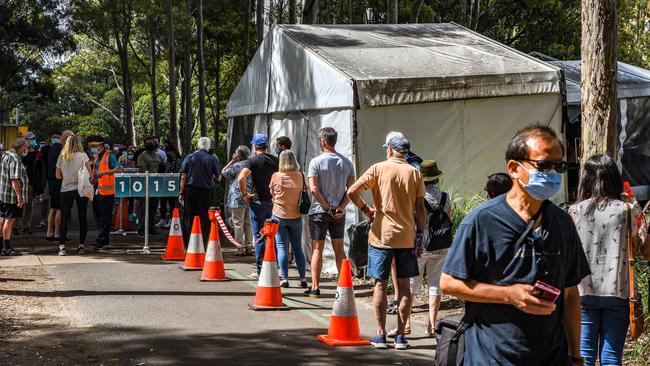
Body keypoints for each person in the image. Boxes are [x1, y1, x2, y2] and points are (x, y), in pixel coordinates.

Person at [440, 125, 591, 366]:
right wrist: (508, 295)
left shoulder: (563, 222)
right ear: (513, 168)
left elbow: (571, 294)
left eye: (559, 166)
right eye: (543, 165)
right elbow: (449, 283)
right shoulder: (482, 220)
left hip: (552, 358)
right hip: (492, 357)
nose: (552, 173)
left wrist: (576, 356)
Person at [569, 154, 650, 366]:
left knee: (583, 356)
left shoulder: (574, 211)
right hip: (618, 291)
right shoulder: (626, 210)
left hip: (582, 292)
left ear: (585, 178)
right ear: (613, 178)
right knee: (612, 358)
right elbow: (638, 248)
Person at [347, 134, 426, 350]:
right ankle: (400, 335)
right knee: (404, 287)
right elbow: (420, 210)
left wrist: (367, 210)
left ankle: (380, 335)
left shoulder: (377, 168)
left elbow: (352, 191)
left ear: (390, 150)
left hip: (381, 236)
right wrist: (420, 236)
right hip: (407, 236)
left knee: (380, 285)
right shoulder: (414, 173)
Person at [388, 160, 450, 338]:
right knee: (434, 285)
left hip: (420, 245)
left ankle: (405, 324)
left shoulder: (418, 197)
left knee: (412, 284)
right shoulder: (445, 196)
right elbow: (448, 217)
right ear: (437, 178)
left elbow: (414, 219)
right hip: (441, 245)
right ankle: (431, 325)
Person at [304, 127, 355, 297]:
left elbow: (313, 189)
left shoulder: (316, 162)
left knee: (317, 249)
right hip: (339, 212)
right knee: (339, 249)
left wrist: (327, 207)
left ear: (323, 142)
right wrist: (339, 207)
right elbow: (352, 190)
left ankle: (315, 287)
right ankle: (344, 286)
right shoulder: (347, 162)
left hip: (319, 210)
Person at [237, 134, 279, 275]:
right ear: (266, 146)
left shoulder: (252, 161)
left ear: (255, 146)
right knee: (273, 235)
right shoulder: (276, 161)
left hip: (257, 202)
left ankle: (261, 269)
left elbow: (241, 178)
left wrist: (245, 195)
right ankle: (275, 267)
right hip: (273, 202)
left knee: (259, 236)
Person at [269, 150, 307, 288]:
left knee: (281, 247)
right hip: (296, 215)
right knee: (298, 248)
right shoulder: (302, 175)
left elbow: (271, 193)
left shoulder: (276, 176)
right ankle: (303, 278)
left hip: (279, 215)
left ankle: (284, 278)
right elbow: (306, 190)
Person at [179, 137, 221, 245]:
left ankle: (188, 244)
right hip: (205, 192)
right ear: (208, 146)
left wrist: (181, 192)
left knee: (188, 217)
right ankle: (202, 243)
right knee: (204, 218)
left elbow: (183, 176)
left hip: (190, 190)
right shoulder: (212, 158)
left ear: (198, 145)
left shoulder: (190, 157)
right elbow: (218, 178)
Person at [55, 135, 92, 256]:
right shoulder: (83, 156)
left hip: (66, 189)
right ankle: (81, 246)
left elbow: (57, 176)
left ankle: (62, 247)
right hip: (81, 188)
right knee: (82, 217)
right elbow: (90, 174)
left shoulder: (62, 156)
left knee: (64, 218)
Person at [91, 137, 122, 250]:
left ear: (102, 146)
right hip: (97, 189)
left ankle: (102, 239)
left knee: (105, 216)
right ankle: (102, 237)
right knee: (97, 214)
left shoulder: (110, 156)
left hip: (107, 192)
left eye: (97, 146)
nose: (95, 148)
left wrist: (104, 173)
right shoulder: (97, 157)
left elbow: (119, 169)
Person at [222, 145, 254, 256]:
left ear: (238, 155)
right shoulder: (251, 165)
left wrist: (232, 160)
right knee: (248, 224)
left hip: (237, 198)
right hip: (249, 196)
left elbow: (223, 172)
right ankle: (249, 247)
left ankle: (240, 248)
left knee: (238, 224)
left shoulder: (236, 165)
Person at [0, 138, 29, 256]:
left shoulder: (6, 155)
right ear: (20, 147)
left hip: (3, 193)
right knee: (9, 221)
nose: (26, 149)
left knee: (2, 219)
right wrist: (19, 197)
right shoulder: (15, 159)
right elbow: (14, 180)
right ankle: (6, 247)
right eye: (25, 147)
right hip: (11, 196)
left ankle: (2, 246)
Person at [46, 131, 73, 242]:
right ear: (67, 139)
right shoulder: (61, 150)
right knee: (59, 209)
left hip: (52, 181)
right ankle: (58, 234)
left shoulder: (52, 148)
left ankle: (49, 233)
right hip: (59, 182)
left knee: (53, 208)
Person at [17, 132, 44, 235]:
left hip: (31, 184)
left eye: (33, 139)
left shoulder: (37, 154)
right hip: (19, 183)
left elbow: (39, 171)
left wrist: (39, 186)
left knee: (29, 207)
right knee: (18, 206)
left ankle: (26, 226)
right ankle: (17, 226)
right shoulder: (20, 153)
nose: (32, 141)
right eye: (30, 139)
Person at [136, 137, 164, 236]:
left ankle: (151, 228)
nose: (151, 144)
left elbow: (162, 167)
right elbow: (144, 169)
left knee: (153, 207)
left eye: (152, 143)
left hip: (156, 185)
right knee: (144, 208)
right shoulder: (142, 156)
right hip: (145, 184)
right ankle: (142, 228)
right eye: (148, 143)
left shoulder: (158, 156)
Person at [156, 143, 182, 229]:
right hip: (165, 183)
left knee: (172, 203)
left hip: (173, 184)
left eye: (168, 152)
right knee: (163, 201)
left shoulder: (178, 161)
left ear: (173, 152)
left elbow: (178, 172)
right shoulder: (166, 160)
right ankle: (163, 219)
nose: (167, 153)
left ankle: (171, 219)